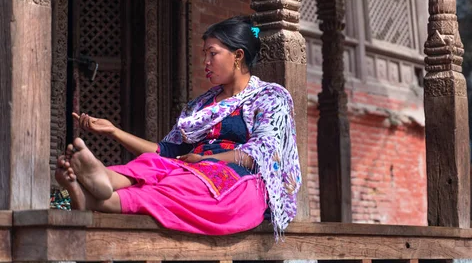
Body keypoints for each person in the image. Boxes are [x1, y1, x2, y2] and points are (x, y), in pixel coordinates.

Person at [55, 16, 301, 238]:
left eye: (212, 53)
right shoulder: (200, 105)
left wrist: (206, 159)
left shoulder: (270, 97)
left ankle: (102, 200)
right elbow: (165, 151)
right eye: (204, 53)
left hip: (239, 184)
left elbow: (262, 153)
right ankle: (104, 180)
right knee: (153, 164)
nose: (205, 61)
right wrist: (114, 131)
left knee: (180, 184)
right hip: (190, 168)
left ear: (237, 56)